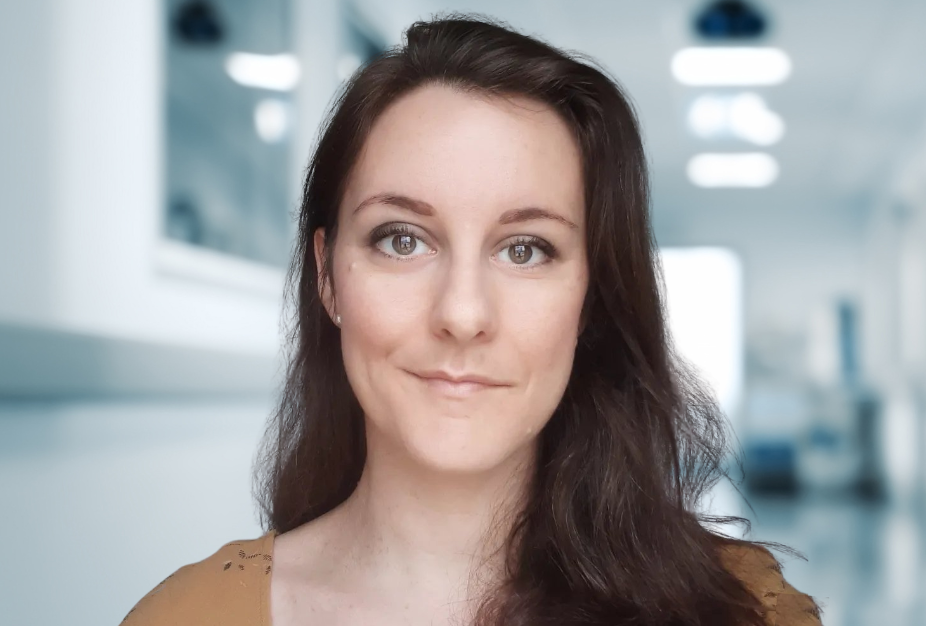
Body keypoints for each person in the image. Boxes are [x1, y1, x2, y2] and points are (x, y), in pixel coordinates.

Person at [121, 14, 822, 626]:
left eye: (525, 250)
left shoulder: (746, 612)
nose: (461, 314)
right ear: (328, 276)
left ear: (591, 299)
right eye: (402, 240)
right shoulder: (189, 617)